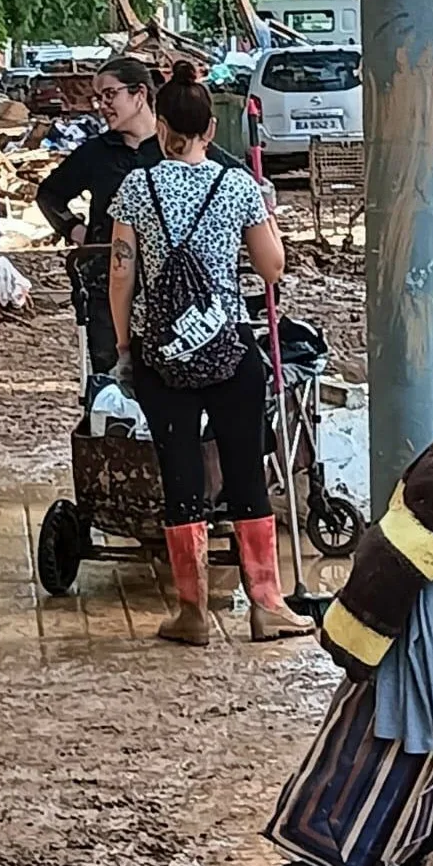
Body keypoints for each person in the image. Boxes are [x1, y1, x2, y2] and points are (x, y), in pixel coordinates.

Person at [107, 62, 311, 648]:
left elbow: (120, 277)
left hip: (160, 356)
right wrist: (264, 214)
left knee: (181, 474)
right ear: (210, 131)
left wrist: (126, 346)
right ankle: (266, 604)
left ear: (161, 124)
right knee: (247, 468)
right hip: (226, 349)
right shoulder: (237, 186)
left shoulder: (136, 189)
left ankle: (193, 611)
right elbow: (273, 268)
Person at [37, 58, 240, 374]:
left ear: (139, 94)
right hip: (107, 279)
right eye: (98, 98)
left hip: (173, 284)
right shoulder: (96, 153)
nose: (102, 106)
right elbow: (49, 194)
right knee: (111, 371)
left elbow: (237, 180)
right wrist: (77, 230)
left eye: (109, 95)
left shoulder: (177, 146)